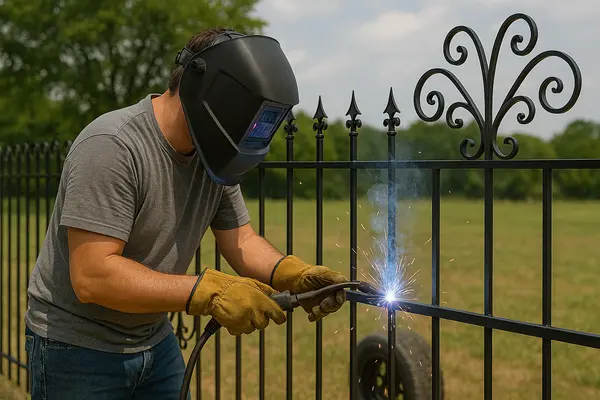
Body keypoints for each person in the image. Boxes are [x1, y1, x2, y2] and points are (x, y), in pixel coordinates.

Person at [24, 26, 348, 400]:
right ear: (209, 92)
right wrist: (207, 291)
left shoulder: (213, 154)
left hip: (153, 340)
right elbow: (93, 276)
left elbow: (240, 239)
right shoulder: (112, 146)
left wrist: (293, 274)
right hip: (77, 349)